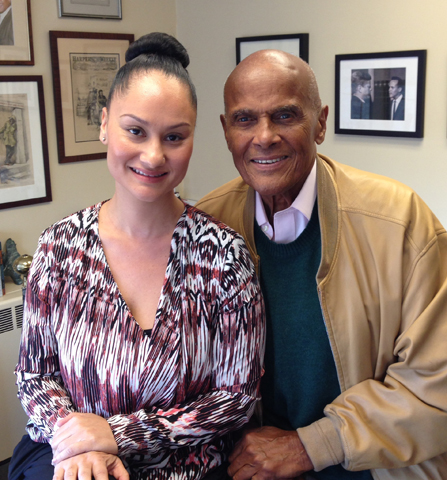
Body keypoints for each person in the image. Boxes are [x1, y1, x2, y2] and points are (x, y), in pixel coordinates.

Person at [9, 32, 265, 480]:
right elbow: (35, 373)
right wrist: (78, 441)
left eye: (174, 136)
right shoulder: (59, 249)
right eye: (135, 130)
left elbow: (237, 398)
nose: (153, 154)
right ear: (105, 123)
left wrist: (116, 434)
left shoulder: (224, 257)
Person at [196, 50, 447, 479]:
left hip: (375, 469)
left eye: (285, 115)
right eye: (244, 119)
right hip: (249, 468)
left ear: (320, 122)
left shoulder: (400, 221)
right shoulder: (206, 227)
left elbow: (436, 389)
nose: (264, 136)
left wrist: (313, 445)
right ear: (225, 130)